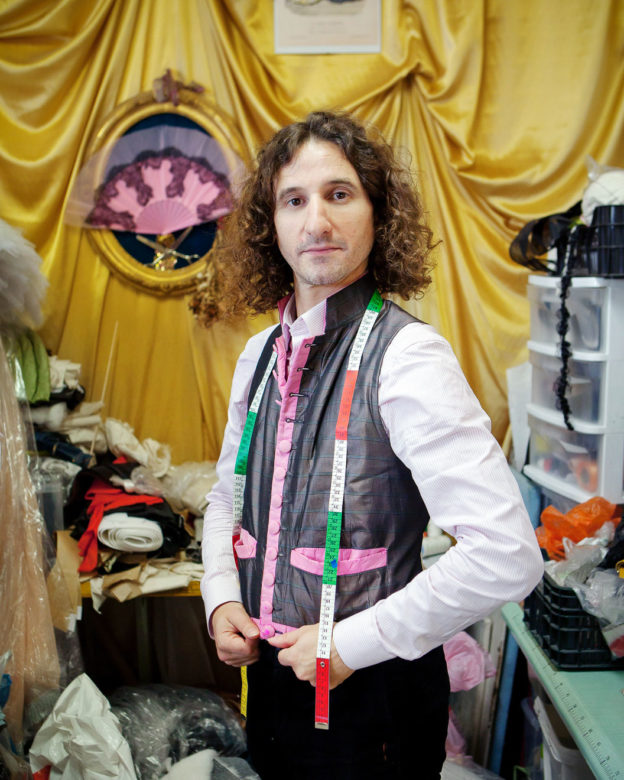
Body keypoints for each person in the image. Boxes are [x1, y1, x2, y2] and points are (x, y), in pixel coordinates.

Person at [200, 110, 544, 779]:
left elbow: (508, 554)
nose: (317, 223)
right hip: (273, 685)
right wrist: (221, 595)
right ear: (271, 226)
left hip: (373, 697)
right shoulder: (259, 356)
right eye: (294, 201)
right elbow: (226, 498)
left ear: (377, 214)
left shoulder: (408, 358)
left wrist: (352, 642)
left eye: (339, 195)